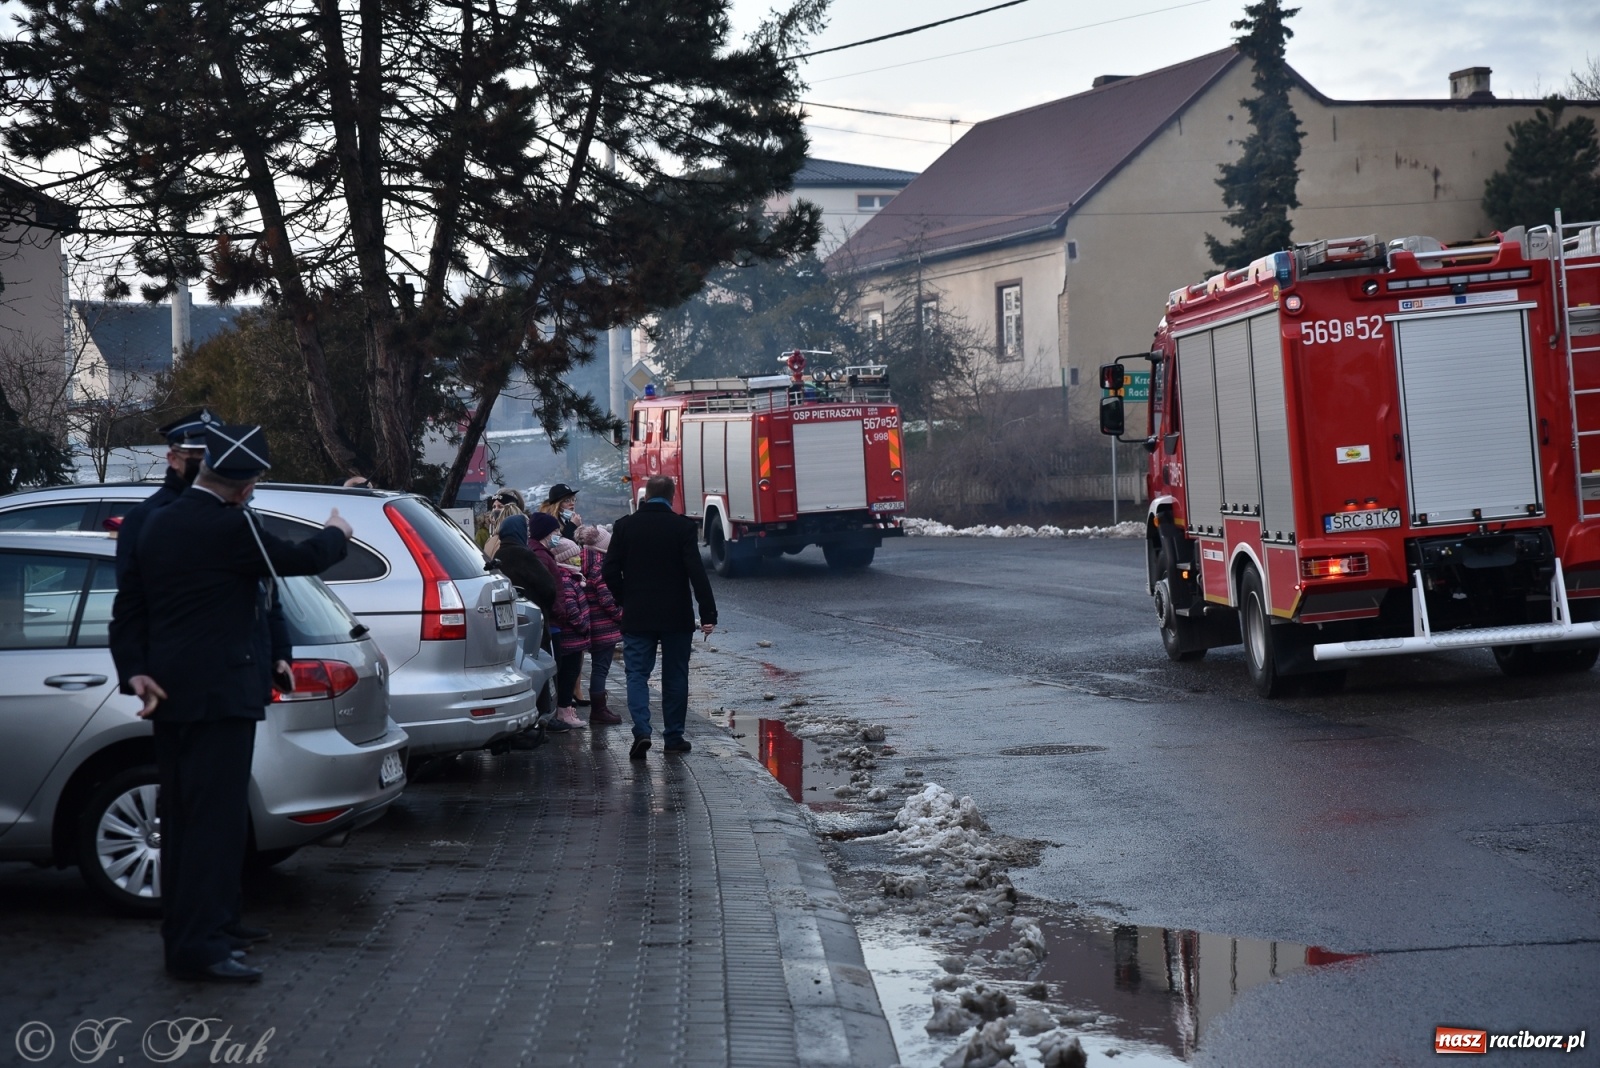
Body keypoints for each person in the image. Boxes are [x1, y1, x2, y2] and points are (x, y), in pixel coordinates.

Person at [109, 424, 352, 984]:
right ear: (246, 486)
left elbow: (132, 605)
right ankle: (199, 947)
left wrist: (136, 670)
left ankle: (206, 927)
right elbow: (302, 558)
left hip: (173, 694)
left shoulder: (157, 521)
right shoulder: (230, 525)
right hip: (219, 695)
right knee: (211, 826)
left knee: (190, 820)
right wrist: (336, 532)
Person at [602, 475, 717, 759]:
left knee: (637, 675)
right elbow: (696, 573)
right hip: (675, 615)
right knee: (675, 675)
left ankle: (642, 730)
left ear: (646, 495)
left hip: (638, 615)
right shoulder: (683, 528)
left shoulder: (625, 527)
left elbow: (609, 570)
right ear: (672, 495)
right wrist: (708, 613)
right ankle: (674, 737)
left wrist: (623, 598)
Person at [114, 409, 214, 582]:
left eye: (212, 454)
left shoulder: (235, 509)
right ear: (173, 459)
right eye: (198, 453)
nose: (206, 462)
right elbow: (132, 595)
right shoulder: (143, 518)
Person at [574, 524, 623, 725]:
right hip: (603, 626)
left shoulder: (578, 562)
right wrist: (622, 615)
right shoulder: (601, 567)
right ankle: (599, 710)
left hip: (586, 624)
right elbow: (607, 599)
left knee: (593, 667)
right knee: (600, 669)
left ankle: (597, 708)